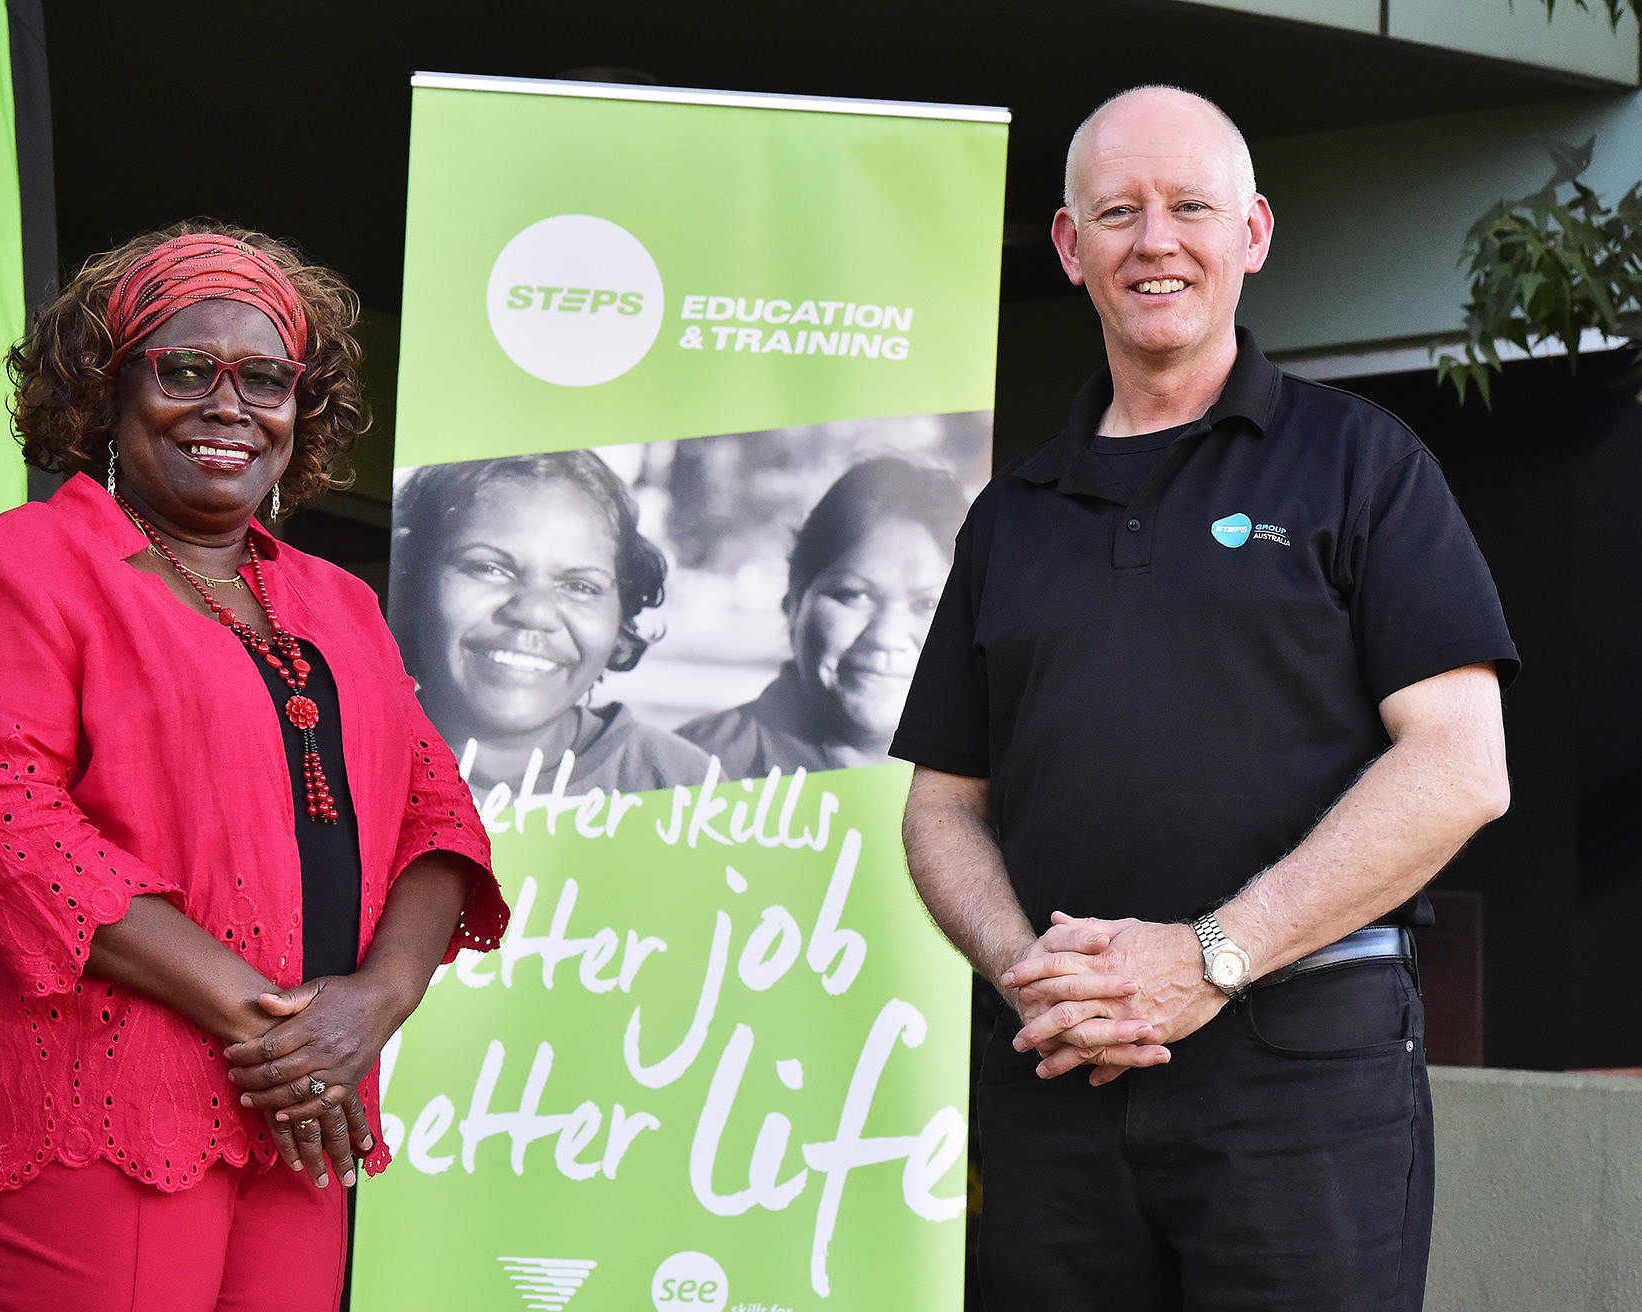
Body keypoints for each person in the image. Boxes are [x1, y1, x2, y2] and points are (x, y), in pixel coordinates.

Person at [894, 87, 1518, 1311]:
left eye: (1190, 207)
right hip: (1057, 1075)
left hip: (1302, 1070)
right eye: (1117, 212)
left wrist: (1210, 955)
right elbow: (940, 810)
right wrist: (1038, 976)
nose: (1155, 241)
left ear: (1254, 233)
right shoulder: (1009, 517)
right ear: (1070, 249)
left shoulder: (1362, 463)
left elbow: (1460, 765)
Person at [0, 223, 508, 1312]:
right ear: (107, 389)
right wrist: (278, 1024)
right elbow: (4, 821)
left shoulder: (342, 605)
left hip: (299, 1117)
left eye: (267, 377)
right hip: (97, 1113)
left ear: (302, 405)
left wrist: (374, 1004)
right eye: (186, 368)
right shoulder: (30, 566)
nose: (229, 404)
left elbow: (440, 821)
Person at [389, 449, 713, 798]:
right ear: (412, 583)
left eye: (580, 586)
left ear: (621, 620)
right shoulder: (337, 765)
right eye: (488, 568)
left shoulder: (681, 782)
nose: (534, 613)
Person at [678, 456, 964, 777]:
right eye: (855, 595)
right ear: (794, 597)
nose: (886, 636)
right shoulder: (689, 771)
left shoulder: (1003, 767)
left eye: (929, 605)